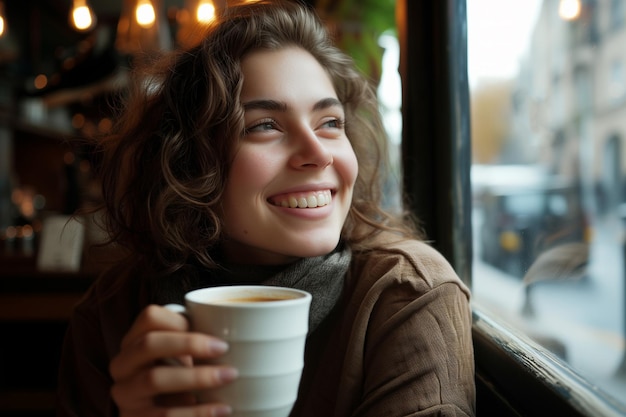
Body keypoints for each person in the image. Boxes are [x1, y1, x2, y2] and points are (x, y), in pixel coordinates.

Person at [56, 1, 476, 416]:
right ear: (191, 163)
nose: (317, 154)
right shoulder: (111, 314)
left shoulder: (407, 294)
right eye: (264, 126)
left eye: (330, 122)